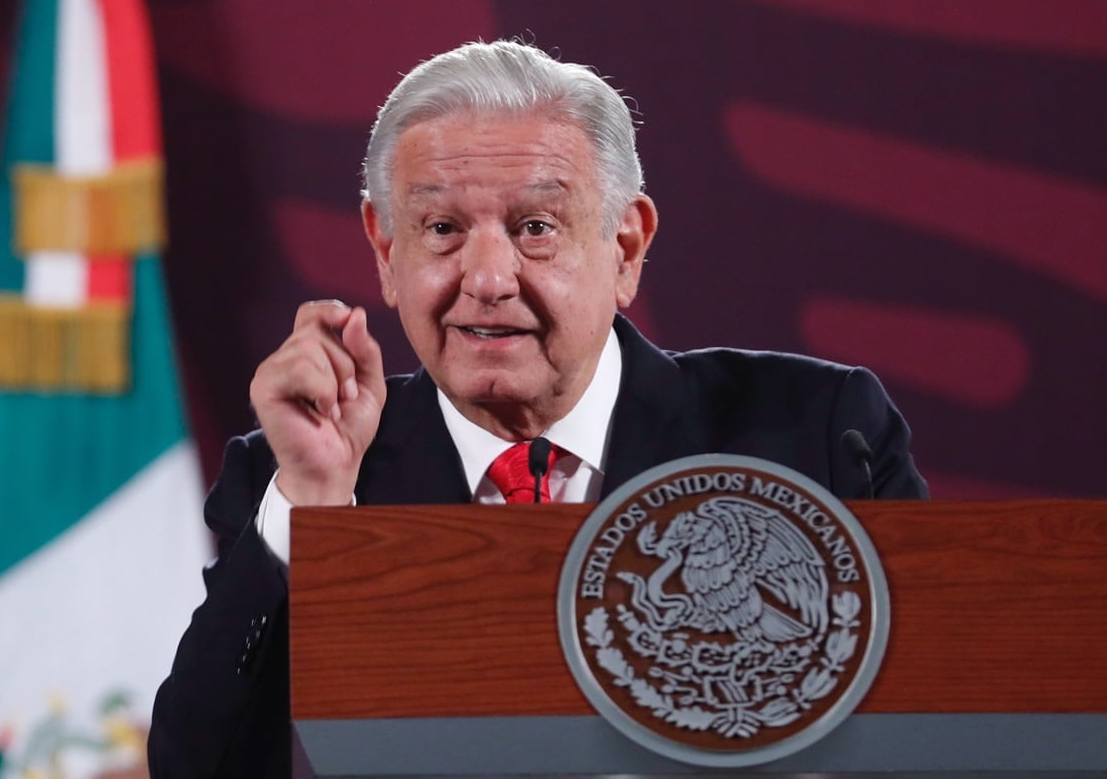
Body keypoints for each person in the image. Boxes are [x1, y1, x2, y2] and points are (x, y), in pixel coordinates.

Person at [148, 39, 927, 777]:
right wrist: (314, 510)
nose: (488, 278)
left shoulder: (816, 438)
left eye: (535, 228)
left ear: (624, 247)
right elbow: (197, 767)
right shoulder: (294, 479)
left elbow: (943, 728)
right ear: (387, 250)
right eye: (443, 229)